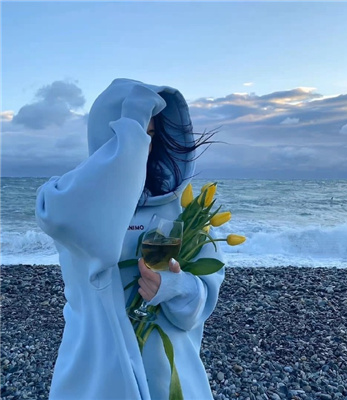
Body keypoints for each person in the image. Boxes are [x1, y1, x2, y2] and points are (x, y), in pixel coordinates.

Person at [35, 78, 225, 400]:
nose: (142, 148)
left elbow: (198, 306)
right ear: (104, 138)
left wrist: (176, 287)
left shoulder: (183, 209)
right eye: (128, 138)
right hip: (94, 368)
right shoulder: (64, 199)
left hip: (167, 370)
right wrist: (131, 126)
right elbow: (87, 231)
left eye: (150, 136)